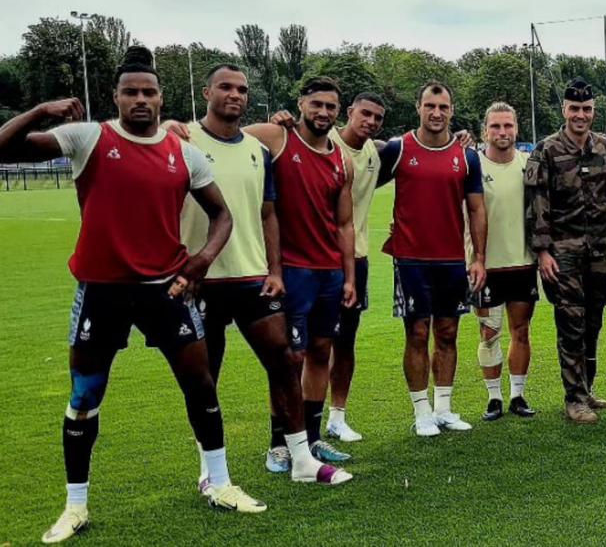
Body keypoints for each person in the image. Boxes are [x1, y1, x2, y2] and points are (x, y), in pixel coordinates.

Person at [0, 47, 265, 544]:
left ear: (161, 97)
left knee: (201, 385)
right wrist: (40, 111)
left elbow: (222, 215)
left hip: (166, 290)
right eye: (130, 92)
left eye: (148, 92)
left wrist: (201, 260)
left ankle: (221, 483)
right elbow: (3, 148)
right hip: (101, 291)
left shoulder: (182, 151)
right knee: (84, 397)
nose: (140, 100)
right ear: (116, 97)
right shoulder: (87, 137)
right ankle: (75, 506)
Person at [180, 64, 350, 485]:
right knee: (204, 378)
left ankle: (302, 460)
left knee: (285, 360)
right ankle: (211, 472)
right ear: (207, 92)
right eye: (225, 87)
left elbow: (268, 213)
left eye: (241, 89)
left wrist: (273, 269)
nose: (234, 94)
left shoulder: (256, 151)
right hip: (201, 278)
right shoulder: (182, 139)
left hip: (254, 276)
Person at [239, 77, 357, 468]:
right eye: (316, 104)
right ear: (301, 103)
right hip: (290, 270)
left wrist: (350, 277)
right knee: (289, 357)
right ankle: (279, 442)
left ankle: (311, 438)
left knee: (321, 351)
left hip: (330, 273)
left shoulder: (342, 159)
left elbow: (344, 225)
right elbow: (223, 137)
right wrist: (176, 128)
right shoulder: (277, 137)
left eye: (331, 107)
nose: (323, 112)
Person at [378, 81, 486, 436]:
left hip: (452, 259)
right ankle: (421, 411)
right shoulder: (398, 149)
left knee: (448, 332)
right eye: (430, 106)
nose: (436, 113)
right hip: (411, 259)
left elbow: (476, 208)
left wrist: (479, 257)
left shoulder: (466, 155)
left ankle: (444, 408)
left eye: (443, 107)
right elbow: (358, 180)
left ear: (451, 110)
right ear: (418, 107)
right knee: (417, 332)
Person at [525, 78, 606, 424]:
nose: (581, 115)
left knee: (593, 323)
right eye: (575, 109)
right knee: (571, 326)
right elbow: (536, 204)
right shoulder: (547, 150)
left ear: (593, 111)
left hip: (598, 252)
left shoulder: (605, 148)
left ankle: (587, 389)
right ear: (564, 110)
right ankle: (574, 399)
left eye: (587, 109)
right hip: (562, 255)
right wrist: (543, 252)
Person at [325, 92, 387, 442]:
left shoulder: (373, 154)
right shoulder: (323, 141)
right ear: (349, 112)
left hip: (357, 261)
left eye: (377, 117)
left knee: (344, 343)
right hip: (318, 261)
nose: (370, 121)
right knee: (310, 346)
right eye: (365, 114)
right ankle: (302, 422)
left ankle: (337, 416)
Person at [472, 102, 538, 421]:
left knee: (520, 331)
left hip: (523, 264)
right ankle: (493, 398)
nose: (502, 132)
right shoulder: (473, 165)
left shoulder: (529, 164)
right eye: (496, 126)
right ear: (485, 130)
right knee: (489, 333)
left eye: (507, 126)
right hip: (486, 266)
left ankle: (518, 395)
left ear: (516, 129)